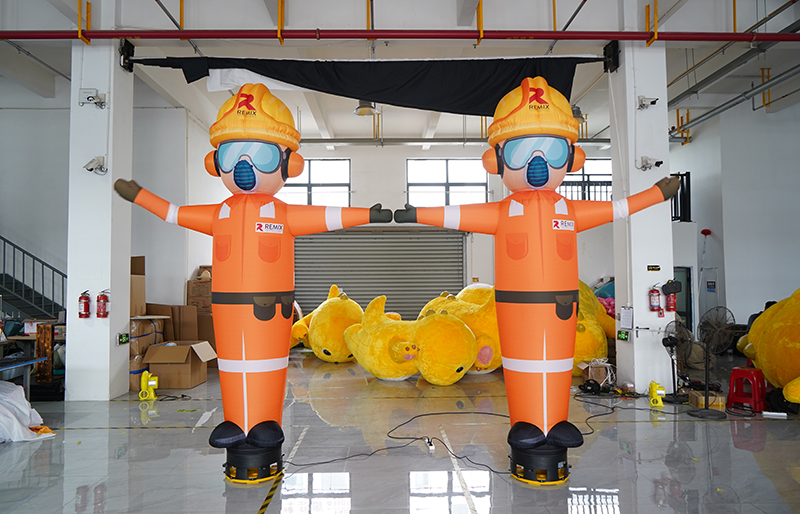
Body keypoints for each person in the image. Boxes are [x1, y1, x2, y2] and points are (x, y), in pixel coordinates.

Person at [395, 77, 680, 471]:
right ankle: (526, 422)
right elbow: (457, 213)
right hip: (517, 309)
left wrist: (657, 194)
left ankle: (557, 419)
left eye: (551, 150)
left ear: (573, 158)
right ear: (496, 160)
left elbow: (617, 208)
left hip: (562, 306)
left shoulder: (570, 209)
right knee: (522, 364)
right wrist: (416, 213)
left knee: (560, 362)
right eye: (521, 152)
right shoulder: (500, 212)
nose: (537, 163)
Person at [115, 84, 391, 467]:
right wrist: (141, 195)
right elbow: (175, 213)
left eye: (260, 154)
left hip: (271, 306)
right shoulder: (218, 213)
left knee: (269, 364)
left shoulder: (284, 213)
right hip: (227, 308)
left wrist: (368, 214)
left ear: (289, 165)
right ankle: (234, 419)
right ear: (216, 163)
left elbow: (329, 216)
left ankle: (265, 421)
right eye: (231, 154)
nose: (244, 166)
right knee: (231, 363)